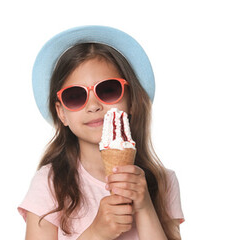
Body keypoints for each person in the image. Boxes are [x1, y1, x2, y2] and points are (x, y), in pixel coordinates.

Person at [19, 26, 183, 240]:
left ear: (132, 100)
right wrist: (96, 234)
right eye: (75, 96)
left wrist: (144, 208)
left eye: (108, 90)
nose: (94, 106)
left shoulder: (163, 181)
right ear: (62, 113)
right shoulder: (50, 184)